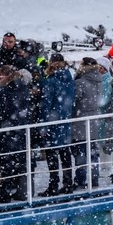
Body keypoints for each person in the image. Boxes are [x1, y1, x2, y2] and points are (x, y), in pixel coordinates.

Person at [0, 65, 31, 203]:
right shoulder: (25, 91)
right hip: (21, 132)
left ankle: (5, 194)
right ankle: (24, 191)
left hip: (7, 132)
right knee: (21, 163)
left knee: (6, 164)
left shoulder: (3, 91)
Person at [39, 53, 75, 196]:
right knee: (65, 153)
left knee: (52, 154)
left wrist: (43, 124)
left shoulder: (51, 81)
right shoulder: (69, 79)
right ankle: (68, 183)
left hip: (52, 122)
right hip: (65, 120)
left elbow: (46, 104)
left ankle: (53, 185)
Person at [71, 57, 103, 189]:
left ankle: (80, 180)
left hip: (81, 122)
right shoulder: (98, 81)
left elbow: (74, 100)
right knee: (92, 153)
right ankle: (94, 179)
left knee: (80, 153)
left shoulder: (81, 82)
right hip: (94, 121)